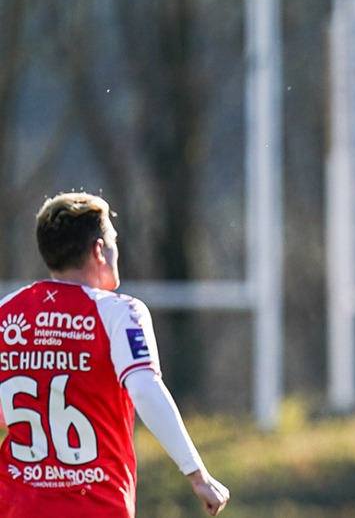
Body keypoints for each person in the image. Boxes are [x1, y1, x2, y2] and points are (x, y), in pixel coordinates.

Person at [0, 192, 229, 517]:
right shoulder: (120, 313)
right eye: (113, 240)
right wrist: (197, 473)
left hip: (15, 506)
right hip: (95, 506)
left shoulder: (7, 313)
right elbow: (144, 388)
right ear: (98, 250)